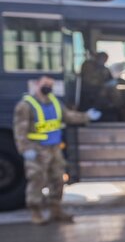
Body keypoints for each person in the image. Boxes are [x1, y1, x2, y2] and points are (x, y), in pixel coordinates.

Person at [13, 76, 101, 225]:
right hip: (36, 149)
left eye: (51, 85)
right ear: (37, 85)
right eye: (45, 84)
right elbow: (20, 131)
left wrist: (86, 116)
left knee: (58, 179)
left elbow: (68, 117)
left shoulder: (55, 102)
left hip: (54, 148)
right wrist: (25, 149)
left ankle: (56, 210)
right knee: (37, 180)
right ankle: (36, 212)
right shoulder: (26, 106)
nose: (48, 87)